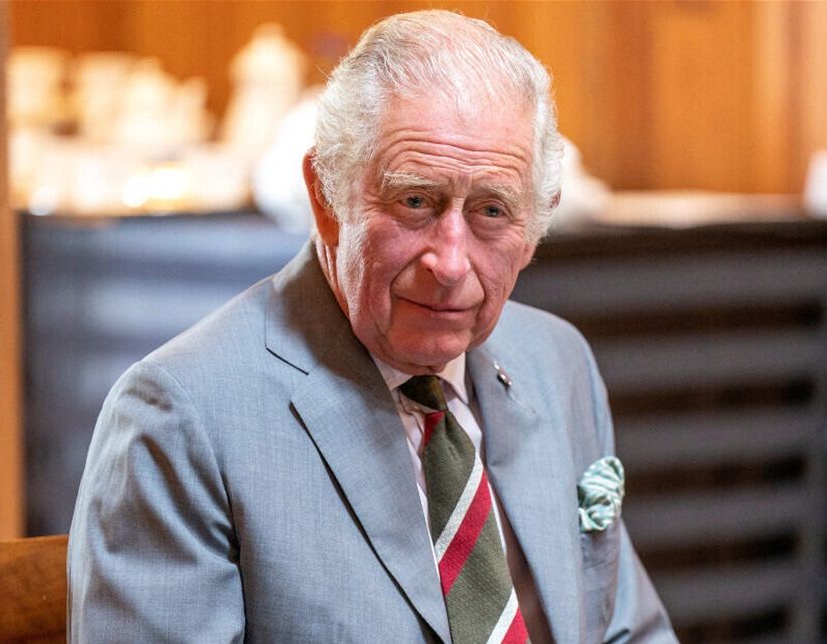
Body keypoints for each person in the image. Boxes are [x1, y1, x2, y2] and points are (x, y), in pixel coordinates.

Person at [68, 10, 675, 643]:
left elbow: (625, 631)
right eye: (415, 201)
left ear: (537, 225)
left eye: (492, 211)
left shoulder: (556, 360)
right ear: (325, 198)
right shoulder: (182, 416)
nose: (450, 263)